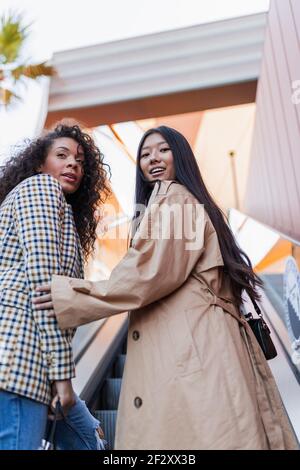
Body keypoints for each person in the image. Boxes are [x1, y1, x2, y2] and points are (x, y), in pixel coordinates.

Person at [34, 126, 298, 450]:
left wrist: (70, 296)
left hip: (195, 350)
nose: (153, 158)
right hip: (202, 345)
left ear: (181, 155)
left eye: (162, 150)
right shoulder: (182, 202)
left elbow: (146, 274)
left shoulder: (175, 200)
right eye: (145, 154)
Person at [0, 123, 109, 450]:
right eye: (61, 155)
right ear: (38, 164)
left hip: (32, 365)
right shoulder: (41, 190)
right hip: (17, 364)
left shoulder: (58, 212)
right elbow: (44, 290)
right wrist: (62, 378)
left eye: (79, 160)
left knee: (91, 442)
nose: (73, 164)